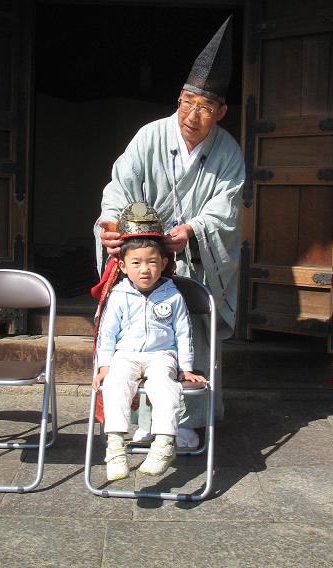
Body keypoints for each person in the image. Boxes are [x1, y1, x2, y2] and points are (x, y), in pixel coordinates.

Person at [94, 16, 246, 448]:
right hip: (147, 257)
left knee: (190, 335)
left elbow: (226, 208)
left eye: (204, 108)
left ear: (221, 112)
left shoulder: (228, 152)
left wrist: (194, 229)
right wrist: (110, 221)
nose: (192, 116)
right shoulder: (150, 136)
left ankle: (187, 423)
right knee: (139, 334)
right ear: (178, 98)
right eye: (187, 103)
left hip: (195, 260)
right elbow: (119, 186)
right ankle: (142, 419)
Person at [92, 202, 205, 481]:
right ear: (122, 265)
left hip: (161, 355)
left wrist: (185, 368)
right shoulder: (119, 295)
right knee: (116, 384)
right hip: (125, 355)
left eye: (152, 262)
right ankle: (115, 446)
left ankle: (164, 443)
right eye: (136, 263)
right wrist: (105, 365)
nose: (145, 270)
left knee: (166, 386)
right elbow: (107, 333)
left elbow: (183, 333)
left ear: (164, 264)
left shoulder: (172, 295)